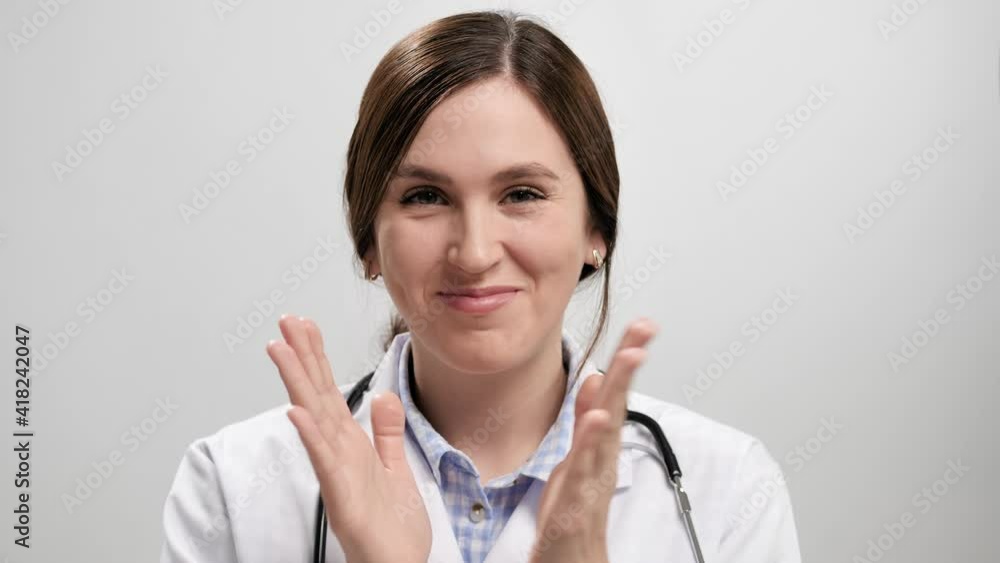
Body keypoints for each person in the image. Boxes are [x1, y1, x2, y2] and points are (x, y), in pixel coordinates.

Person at [159, 10, 802, 563]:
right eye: (425, 196)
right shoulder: (232, 485)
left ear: (596, 229)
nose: (474, 253)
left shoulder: (729, 490)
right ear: (368, 242)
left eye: (521, 194)